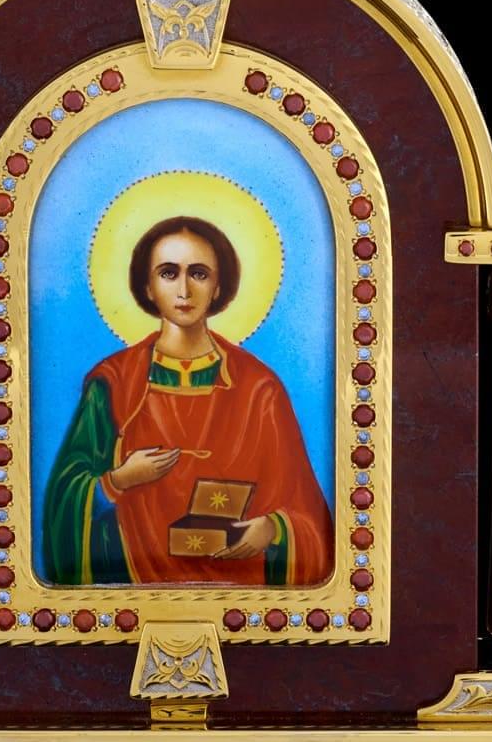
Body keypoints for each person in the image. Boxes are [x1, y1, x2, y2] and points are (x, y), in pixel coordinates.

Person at [41, 215, 333, 586]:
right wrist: (118, 480)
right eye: (168, 273)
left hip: (240, 597)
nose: (184, 290)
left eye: (198, 273)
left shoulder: (259, 388)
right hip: (135, 591)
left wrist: (273, 529)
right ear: (147, 287)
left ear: (218, 286)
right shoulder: (114, 384)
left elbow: (306, 512)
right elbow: (65, 500)